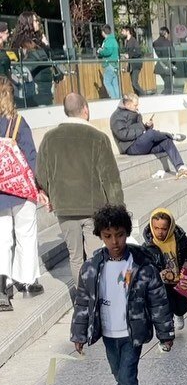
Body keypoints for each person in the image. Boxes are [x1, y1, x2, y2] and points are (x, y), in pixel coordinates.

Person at [71, 204, 174, 385]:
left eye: (119, 235)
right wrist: (78, 333)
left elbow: (158, 301)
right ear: (100, 236)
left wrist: (165, 332)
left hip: (132, 332)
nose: (114, 241)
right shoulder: (92, 267)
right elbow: (83, 302)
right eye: (108, 236)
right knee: (119, 376)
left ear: (126, 233)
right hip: (107, 332)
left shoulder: (142, 266)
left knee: (126, 378)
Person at [35, 93, 124, 285]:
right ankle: (97, 296)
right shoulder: (98, 137)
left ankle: (81, 299)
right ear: (86, 109)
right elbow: (110, 178)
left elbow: (41, 175)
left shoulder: (49, 138)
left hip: (64, 208)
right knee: (94, 255)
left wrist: (50, 195)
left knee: (75, 258)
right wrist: (118, 210)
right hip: (93, 208)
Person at [0, 76, 47, 303]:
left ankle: (3, 285)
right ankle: (27, 282)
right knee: (26, 234)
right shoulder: (17, 122)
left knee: (2, 238)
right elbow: (31, 158)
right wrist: (41, 187)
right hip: (21, 190)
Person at [110, 94, 187, 179]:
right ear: (127, 104)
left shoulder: (134, 112)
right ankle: (171, 135)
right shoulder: (117, 116)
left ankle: (181, 168)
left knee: (167, 141)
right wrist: (143, 132)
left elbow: (139, 130)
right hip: (131, 147)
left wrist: (147, 126)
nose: (137, 107)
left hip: (142, 144)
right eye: (135, 105)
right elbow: (122, 134)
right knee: (151, 134)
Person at [142, 207, 187, 331]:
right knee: (166, 306)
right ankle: (168, 326)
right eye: (156, 228)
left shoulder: (179, 238)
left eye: (164, 229)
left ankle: (179, 313)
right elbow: (145, 263)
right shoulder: (148, 246)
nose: (160, 232)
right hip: (162, 283)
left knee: (181, 305)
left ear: (170, 227)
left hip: (180, 279)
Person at [12, 12, 53, 106]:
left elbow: (48, 58)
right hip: (36, 90)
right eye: (35, 21)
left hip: (44, 87)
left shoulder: (37, 40)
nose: (38, 23)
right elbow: (37, 59)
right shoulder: (23, 43)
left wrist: (45, 45)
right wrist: (45, 47)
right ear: (28, 23)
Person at [120, 26, 145, 97]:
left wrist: (129, 55)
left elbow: (138, 52)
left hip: (136, 64)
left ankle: (143, 95)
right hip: (131, 64)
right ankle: (138, 96)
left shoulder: (133, 41)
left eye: (123, 31)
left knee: (134, 83)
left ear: (128, 31)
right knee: (133, 83)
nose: (122, 32)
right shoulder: (127, 41)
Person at [98, 25, 121, 99]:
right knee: (114, 83)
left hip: (109, 64)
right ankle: (117, 99)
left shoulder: (108, 41)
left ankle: (113, 99)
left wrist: (100, 51)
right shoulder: (114, 40)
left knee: (107, 82)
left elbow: (108, 51)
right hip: (115, 65)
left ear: (103, 32)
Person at [152, 27, 174, 96]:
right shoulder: (168, 43)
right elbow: (172, 54)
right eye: (167, 34)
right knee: (169, 86)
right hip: (168, 64)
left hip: (160, 65)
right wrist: (174, 65)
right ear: (166, 33)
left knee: (166, 83)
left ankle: (164, 96)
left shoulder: (155, 43)